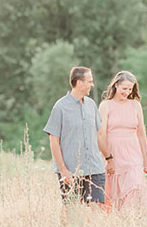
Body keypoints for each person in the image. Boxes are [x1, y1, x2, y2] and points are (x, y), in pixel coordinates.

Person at [44, 66, 113, 206]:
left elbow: (99, 135)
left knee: (97, 208)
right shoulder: (60, 107)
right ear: (79, 83)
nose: (92, 85)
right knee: (71, 210)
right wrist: (63, 170)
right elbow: (54, 141)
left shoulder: (91, 105)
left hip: (95, 168)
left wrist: (109, 158)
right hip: (71, 170)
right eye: (90, 81)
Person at [99, 71, 147, 212]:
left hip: (133, 154)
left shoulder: (135, 105)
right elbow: (101, 134)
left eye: (130, 89)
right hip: (113, 153)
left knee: (135, 187)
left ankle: (132, 221)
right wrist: (107, 158)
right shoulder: (106, 106)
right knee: (112, 196)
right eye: (124, 88)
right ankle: (118, 225)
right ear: (116, 85)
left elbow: (141, 133)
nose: (127, 92)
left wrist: (146, 160)